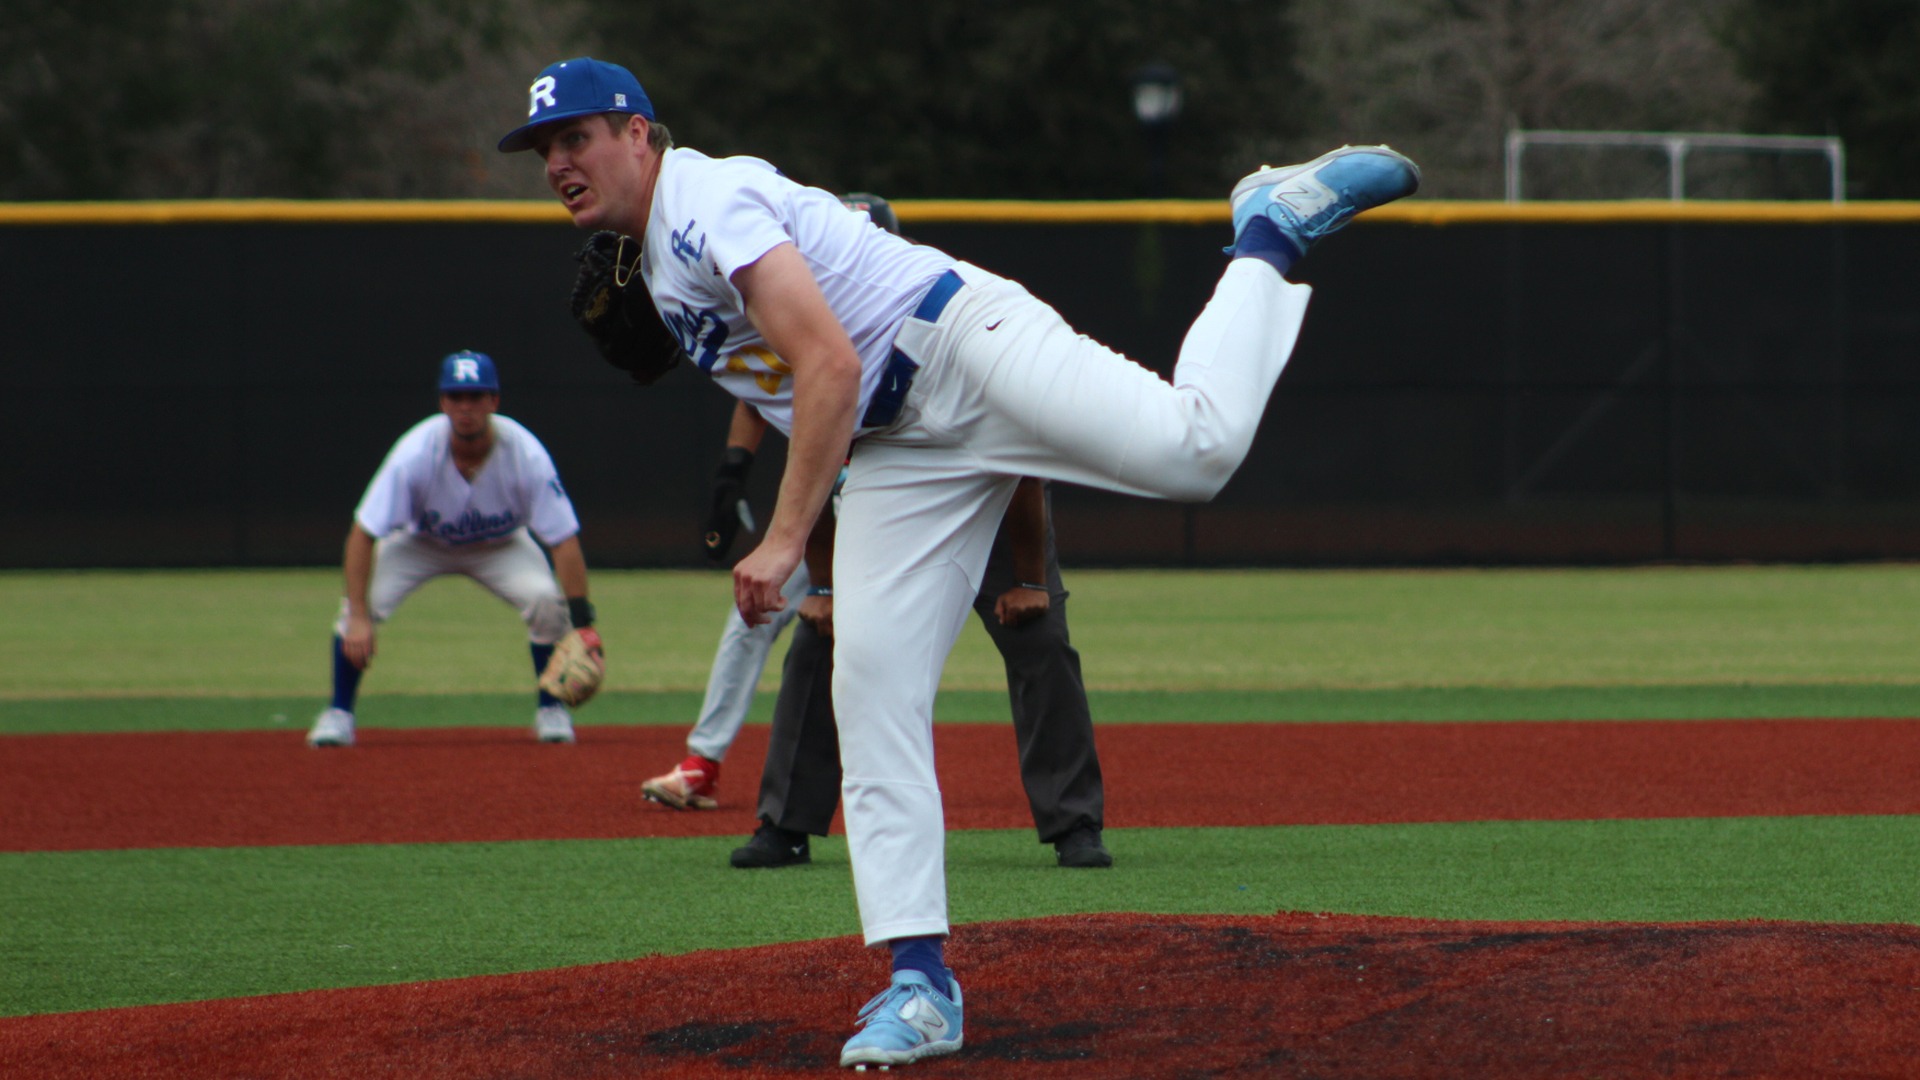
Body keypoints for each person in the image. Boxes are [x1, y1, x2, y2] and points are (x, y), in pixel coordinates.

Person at [498, 56, 1418, 1070]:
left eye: (577, 137)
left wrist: (787, 538)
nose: (558, 162)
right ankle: (919, 984)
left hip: (960, 343)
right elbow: (812, 408)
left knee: (1193, 449)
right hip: (899, 452)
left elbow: (831, 366)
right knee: (873, 686)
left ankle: (1269, 228)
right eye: (545, 149)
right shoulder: (661, 264)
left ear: (638, 132)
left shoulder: (706, 196)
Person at [307, 350, 599, 748]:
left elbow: (563, 540)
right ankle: (339, 712)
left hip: (500, 546)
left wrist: (583, 624)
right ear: (442, 403)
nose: (466, 407)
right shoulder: (413, 453)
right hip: (420, 543)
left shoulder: (526, 454)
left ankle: (551, 709)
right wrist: (359, 615)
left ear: (494, 402)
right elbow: (363, 532)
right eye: (456, 397)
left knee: (546, 600)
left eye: (476, 396)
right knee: (357, 606)